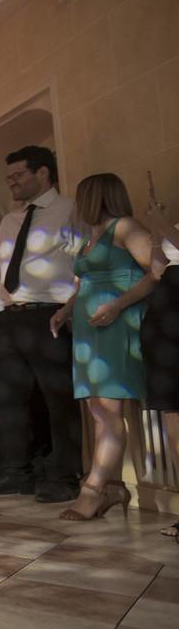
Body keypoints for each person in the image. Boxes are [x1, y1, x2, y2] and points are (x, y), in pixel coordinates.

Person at [0, 146, 81, 502]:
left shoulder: (70, 209)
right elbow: (0, 269)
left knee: (58, 399)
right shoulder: (9, 220)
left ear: (43, 173)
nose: (12, 183)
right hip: (8, 318)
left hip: (49, 313)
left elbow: (82, 263)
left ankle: (65, 476)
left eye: (18, 175)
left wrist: (70, 310)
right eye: (9, 178)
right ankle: (14, 473)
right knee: (7, 399)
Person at [50, 175, 155, 520]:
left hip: (116, 325)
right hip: (88, 330)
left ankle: (93, 490)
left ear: (95, 197)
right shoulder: (90, 237)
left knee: (109, 412)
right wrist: (66, 310)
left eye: (81, 197)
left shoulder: (125, 227)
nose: (77, 206)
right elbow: (85, 284)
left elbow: (156, 272)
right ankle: (112, 487)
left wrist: (119, 304)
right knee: (98, 411)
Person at [141, 196, 179, 540]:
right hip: (165, 326)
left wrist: (163, 226)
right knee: (173, 417)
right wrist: (156, 232)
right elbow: (155, 271)